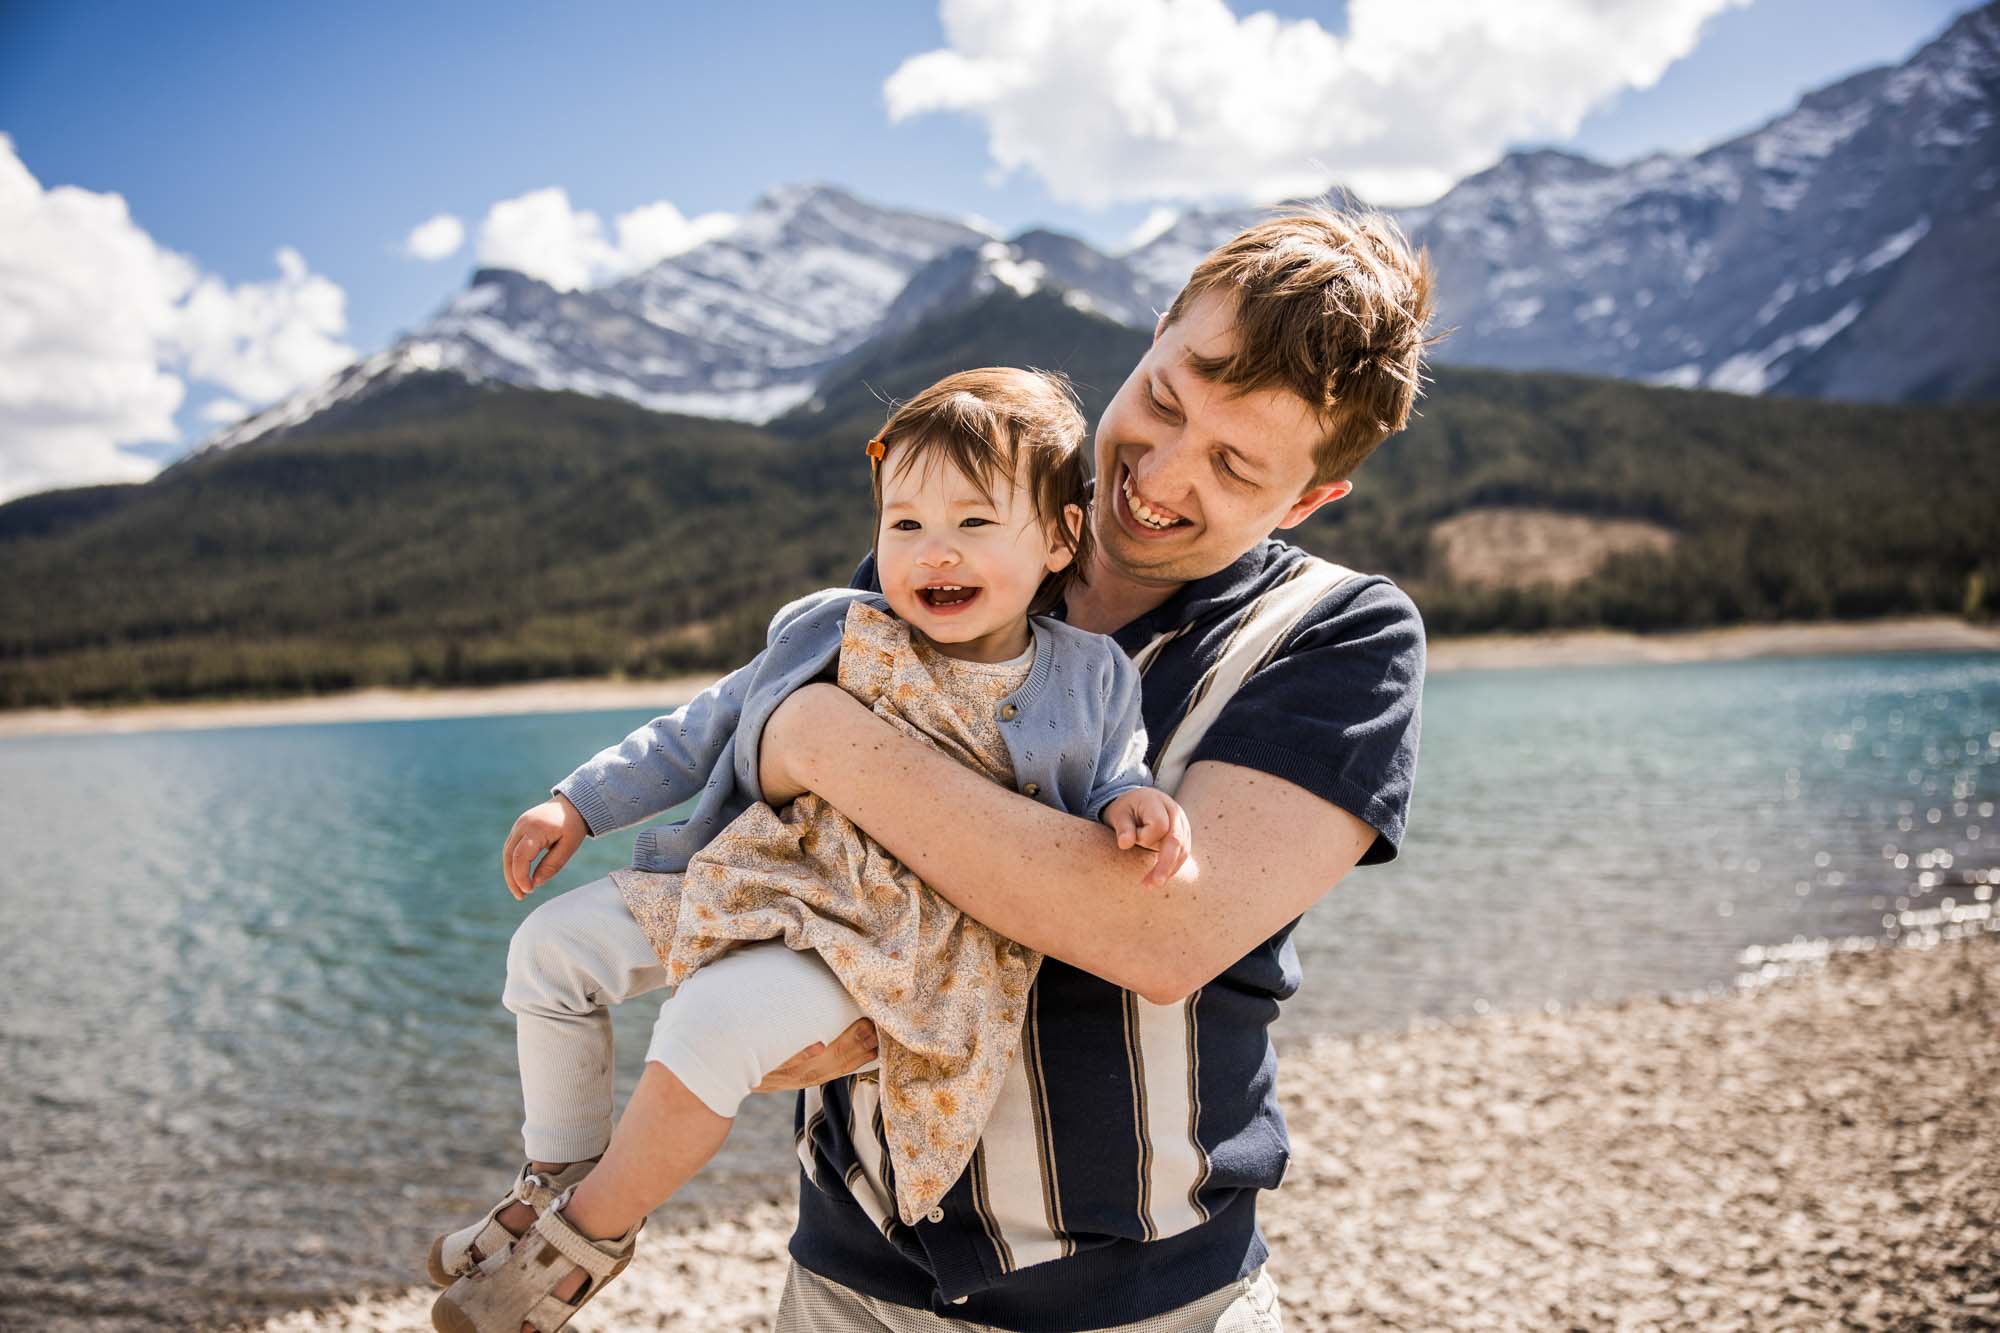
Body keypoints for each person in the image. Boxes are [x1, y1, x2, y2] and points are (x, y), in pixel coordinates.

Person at [748, 206, 1437, 1331]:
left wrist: (818, 738)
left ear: (1307, 499)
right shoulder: (956, 543)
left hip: (1151, 1304)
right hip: (845, 1280)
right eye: (1162, 398)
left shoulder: (1340, 634)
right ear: (1154, 331)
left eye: (1231, 462)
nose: (1157, 472)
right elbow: (778, 825)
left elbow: (1157, 934)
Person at [425, 368, 1195, 1333]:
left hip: (901, 934)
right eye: (904, 523)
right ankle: (554, 1178)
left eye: (972, 522)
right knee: (547, 949)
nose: (933, 551)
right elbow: (704, 724)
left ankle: (580, 1246)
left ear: (1057, 538)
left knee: (709, 1021)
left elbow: (1115, 771)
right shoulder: (833, 625)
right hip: (768, 869)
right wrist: (577, 802)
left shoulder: (1089, 674)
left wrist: (1137, 805)